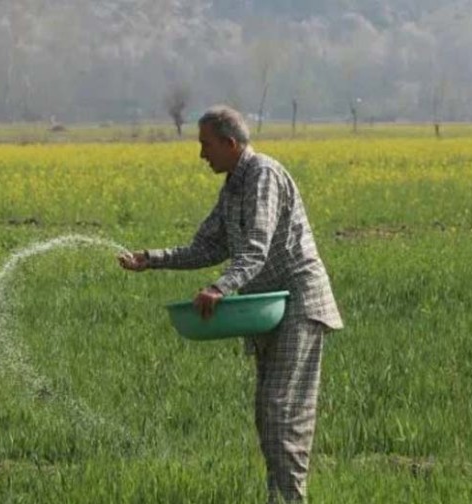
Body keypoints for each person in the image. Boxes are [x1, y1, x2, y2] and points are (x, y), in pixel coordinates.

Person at [118, 105, 343, 503]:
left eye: (205, 144)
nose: (201, 154)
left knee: (281, 410)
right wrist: (151, 259)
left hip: (298, 305)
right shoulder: (233, 188)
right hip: (266, 309)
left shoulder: (263, 176)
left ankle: (292, 500)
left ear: (230, 143)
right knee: (268, 413)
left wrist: (220, 288)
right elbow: (207, 246)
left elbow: (255, 248)